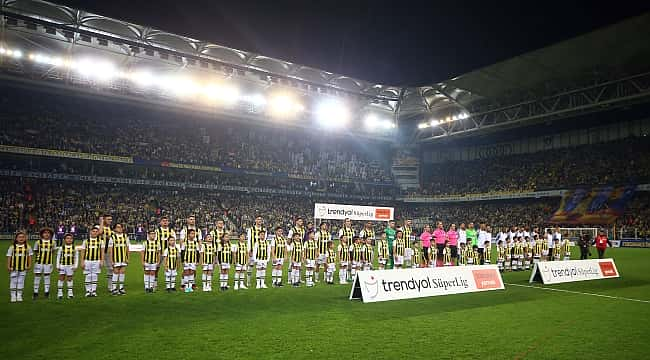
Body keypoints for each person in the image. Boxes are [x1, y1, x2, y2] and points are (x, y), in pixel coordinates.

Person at [7, 231, 33, 302]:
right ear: (16, 238)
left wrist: (29, 265)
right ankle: (13, 296)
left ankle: (19, 295)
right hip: (13, 267)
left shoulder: (28, 247)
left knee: (21, 281)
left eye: (23, 237)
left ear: (25, 238)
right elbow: (9, 257)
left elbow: (30, 256)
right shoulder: (12, 247)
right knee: (13, 281)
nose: (21, 238)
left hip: (23, 268)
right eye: (19, 237)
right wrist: (8, 266)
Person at [81, 225, 104, 297]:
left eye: (96, 232)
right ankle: (88, 291)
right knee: (88, 275)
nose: (95, 233)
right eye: (93, 231)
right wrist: (82, 261)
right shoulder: (86, 241)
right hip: (87, 260)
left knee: (94, 275)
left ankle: (93, 291)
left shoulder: (101, 241)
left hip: (96, 261)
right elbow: (83, 252)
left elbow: (102, 252)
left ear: (98, 233)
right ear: (90, 232)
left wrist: (102, 261)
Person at [33, 227, 56, 299]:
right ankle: (35, 292)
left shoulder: (53, 242)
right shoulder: (38, 242)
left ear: (51, 235)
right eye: (45, 233)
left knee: (47, 276)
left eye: (48, 233)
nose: (46, 234)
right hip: (39, 262)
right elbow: (36, 251)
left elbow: (53, 251)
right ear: (42, 234)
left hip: (48, 262)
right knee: (37, 276)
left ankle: (47, 292)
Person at [108, 223, 130, 295]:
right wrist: (111, 260)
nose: (120, 228)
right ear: (115, 229)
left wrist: (128, 258)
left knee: (122, 272)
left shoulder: (125, 236)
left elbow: (127, 248)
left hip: (123, 258)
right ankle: (114, 288)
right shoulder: (112, 237)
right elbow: (110, 250)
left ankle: (121, 288)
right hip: (115, 258)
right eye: (118, 227)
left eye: (121, 227)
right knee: (116, 272)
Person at [155, 216, 175, 291]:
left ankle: (170, 284)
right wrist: (157, 252)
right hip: (159, 253)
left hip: (169, 254)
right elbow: (155, 242)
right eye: (163, 221)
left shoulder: (171, 231)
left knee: (170, 268)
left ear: (168, 222)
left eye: (166, 221)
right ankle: (154, 283)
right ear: (160, 222)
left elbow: (174, 241)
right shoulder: (157, 231)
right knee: (156, 268)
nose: (165, 222)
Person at [56, 233, 78, 299]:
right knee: (61, 278)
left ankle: (70, 293)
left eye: (70, 238)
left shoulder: (75, 248)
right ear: (64, 240)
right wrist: (58, 266)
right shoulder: (61, 248)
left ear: (72, 240)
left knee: (70, 278)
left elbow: (76, 258)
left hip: (70, 266)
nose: (69, 240)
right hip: (62, 265)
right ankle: (60, 293)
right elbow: (58, 257)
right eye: (67, 238)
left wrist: (75, 266)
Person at [247, 216, 266, 288]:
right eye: (258, 219)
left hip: (261, 252)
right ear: (255, 220)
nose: (259, 220)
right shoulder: (251, 229)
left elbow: (264, 240)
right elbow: (249, 240)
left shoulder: (264, 229)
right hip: (252, 251)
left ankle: (261, 282)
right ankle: (248, 281)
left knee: (261, 267)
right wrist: (249, 250)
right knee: (250, 266)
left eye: (261, 219)